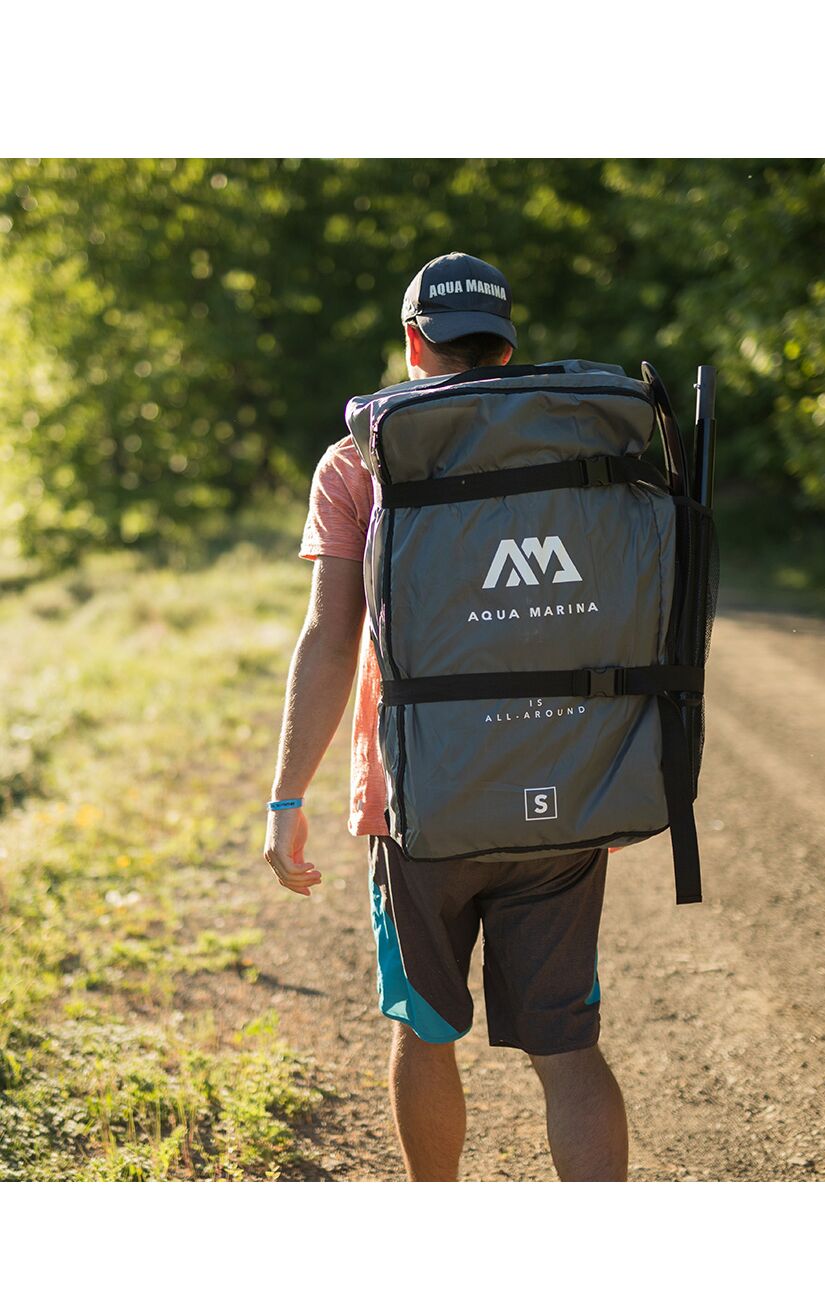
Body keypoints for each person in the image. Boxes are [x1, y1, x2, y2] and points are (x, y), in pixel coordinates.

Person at [264, 252, 628, 1182]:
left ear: (413, 340)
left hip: (417, 803)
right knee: (568, 1050)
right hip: (563, 791)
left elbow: (329, 638)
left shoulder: (361, 456)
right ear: (505, 347)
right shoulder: (570, 440)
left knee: (423, 1033)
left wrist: (286, 798)